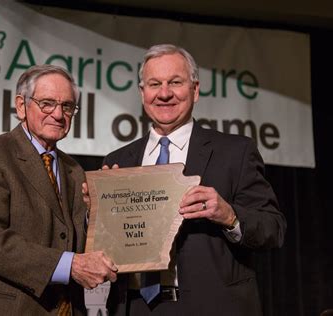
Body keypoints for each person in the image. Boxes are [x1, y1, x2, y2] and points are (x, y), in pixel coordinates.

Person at [101, 44, 287, 315]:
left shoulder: (235, 151)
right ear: (143, 93)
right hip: (137, 307)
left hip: (213, 305)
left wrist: (230, 216)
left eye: (175, 82)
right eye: (155, 84)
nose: (164, 93)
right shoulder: (118, 160)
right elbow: (106, 247)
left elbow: (273, 228)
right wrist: (98, 212)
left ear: (195, 90)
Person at [0, 65, 117, 315]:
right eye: (47, 103)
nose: (58, 114)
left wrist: (96, 212)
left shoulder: (74, 170)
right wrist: (70, 266)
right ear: (21, 106)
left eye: (67, 106)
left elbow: (71, 239)